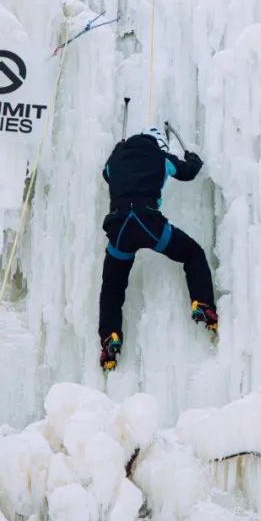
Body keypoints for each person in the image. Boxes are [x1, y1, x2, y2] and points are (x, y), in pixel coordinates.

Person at [98, 126, 218, 371]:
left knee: (112, 287)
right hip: (148, 223)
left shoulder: (116, 159)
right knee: (192, 254)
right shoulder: (162, 158)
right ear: (160, 144)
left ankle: (110, 337)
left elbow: (107, 174)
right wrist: (192, 159)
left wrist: (117, 149)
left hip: (120, 228)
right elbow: (188, 173)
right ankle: (202, 304)